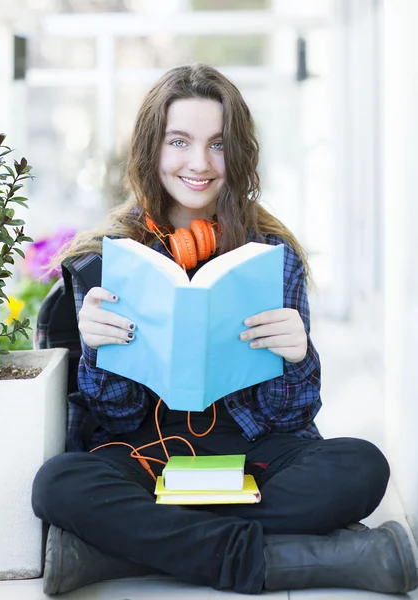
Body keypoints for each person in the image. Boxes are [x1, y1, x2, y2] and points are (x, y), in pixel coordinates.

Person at [32, 63, 417, 596]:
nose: (199, 163)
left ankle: (120, 551)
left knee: (363, 467)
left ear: (237, 156)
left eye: (217, 145)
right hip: (148, 455)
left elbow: (291, 417)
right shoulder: (104, 261)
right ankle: (271, 556)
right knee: (59, 485)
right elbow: (114, 417)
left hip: (253, 453)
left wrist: (297, 357)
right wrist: (97, 350)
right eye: (180, 142)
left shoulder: (273, 254)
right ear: (151, 150)